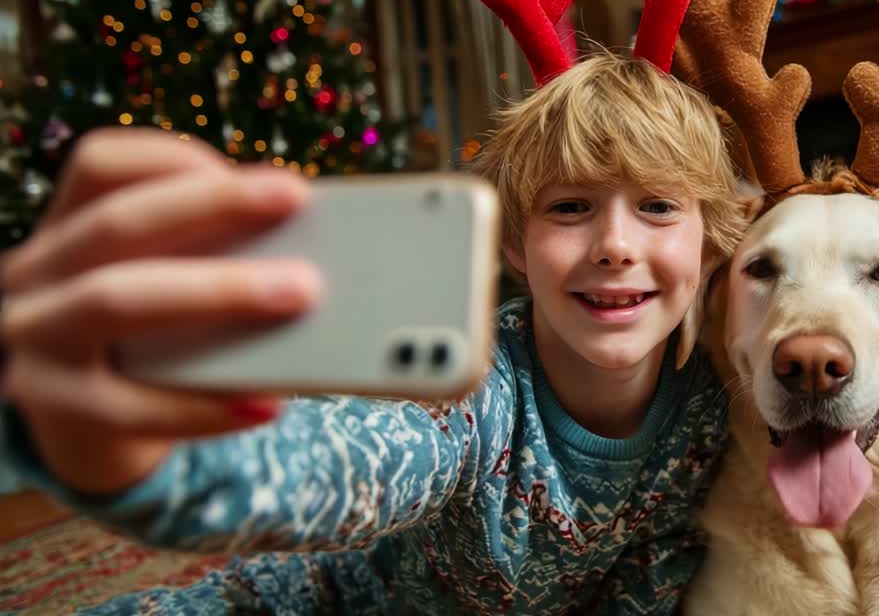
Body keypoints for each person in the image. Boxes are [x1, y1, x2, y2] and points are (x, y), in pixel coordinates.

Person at [0, 49, 746, 614]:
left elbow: (660, 575)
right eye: (570, 208)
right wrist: (142, 458)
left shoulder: (713, 409)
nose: (615, 244)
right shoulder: (475, 386)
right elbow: (346, 462)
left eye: (657, 207)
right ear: (515, 246)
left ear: (712, 242)